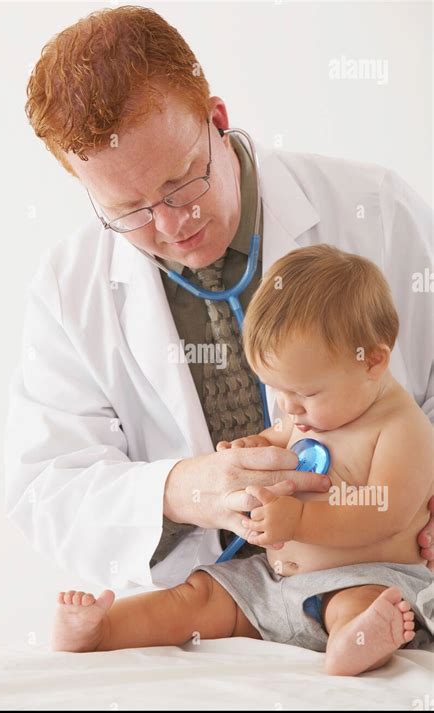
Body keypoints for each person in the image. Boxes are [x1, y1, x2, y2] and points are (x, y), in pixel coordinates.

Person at [5, 6, 434, 592]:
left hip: (383, 576)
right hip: (208, 610)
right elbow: (46, 487)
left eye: (182, 181)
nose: (171, 223)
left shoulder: (375, 209)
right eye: (128, 210)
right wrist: (182, 490)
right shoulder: (68, 287)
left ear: (217, 120)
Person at [52, 246, 433, 674]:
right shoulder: (311, 407)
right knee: (198, 594)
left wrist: (302, 523)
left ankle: (355, 641)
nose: (290, 409)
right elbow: (279, 435)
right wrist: (253, 445)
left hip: (361, 577)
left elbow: (384, 514)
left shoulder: (402, 429)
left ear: (373, 362)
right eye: (278, 392)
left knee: (355, 606)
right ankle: (103, 629)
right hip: (271, 582)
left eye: (304, 394)